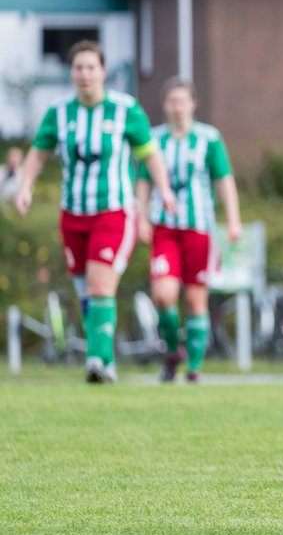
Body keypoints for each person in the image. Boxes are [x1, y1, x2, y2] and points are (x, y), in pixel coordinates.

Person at [12, 40, 177, 383]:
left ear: (102, 71)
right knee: (86, 292)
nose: (85, 74)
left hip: (113, 212)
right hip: (73, 213)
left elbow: (150, 155)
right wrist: (25, 187)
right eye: (78, 68)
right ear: (71, 73)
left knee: (101, 285)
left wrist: (164, 190)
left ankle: (97, 362)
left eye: (91, 67)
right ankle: (103, 359)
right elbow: (38, 154)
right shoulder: (58, 113)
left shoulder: (125, 110)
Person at [135, 77, 242, 383]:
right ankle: (172, 351)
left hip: (199, 228)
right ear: (164, 105)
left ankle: (194, 367)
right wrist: (141, 217)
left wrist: (233, 219)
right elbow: (143, 180)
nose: (177, 107)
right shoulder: (154, 140)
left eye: (183, 101)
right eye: (172, 101)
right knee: (164, 295)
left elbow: (224, 180)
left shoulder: (209, 138)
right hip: (165, 228)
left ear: (193, 104)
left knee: (196, 299)